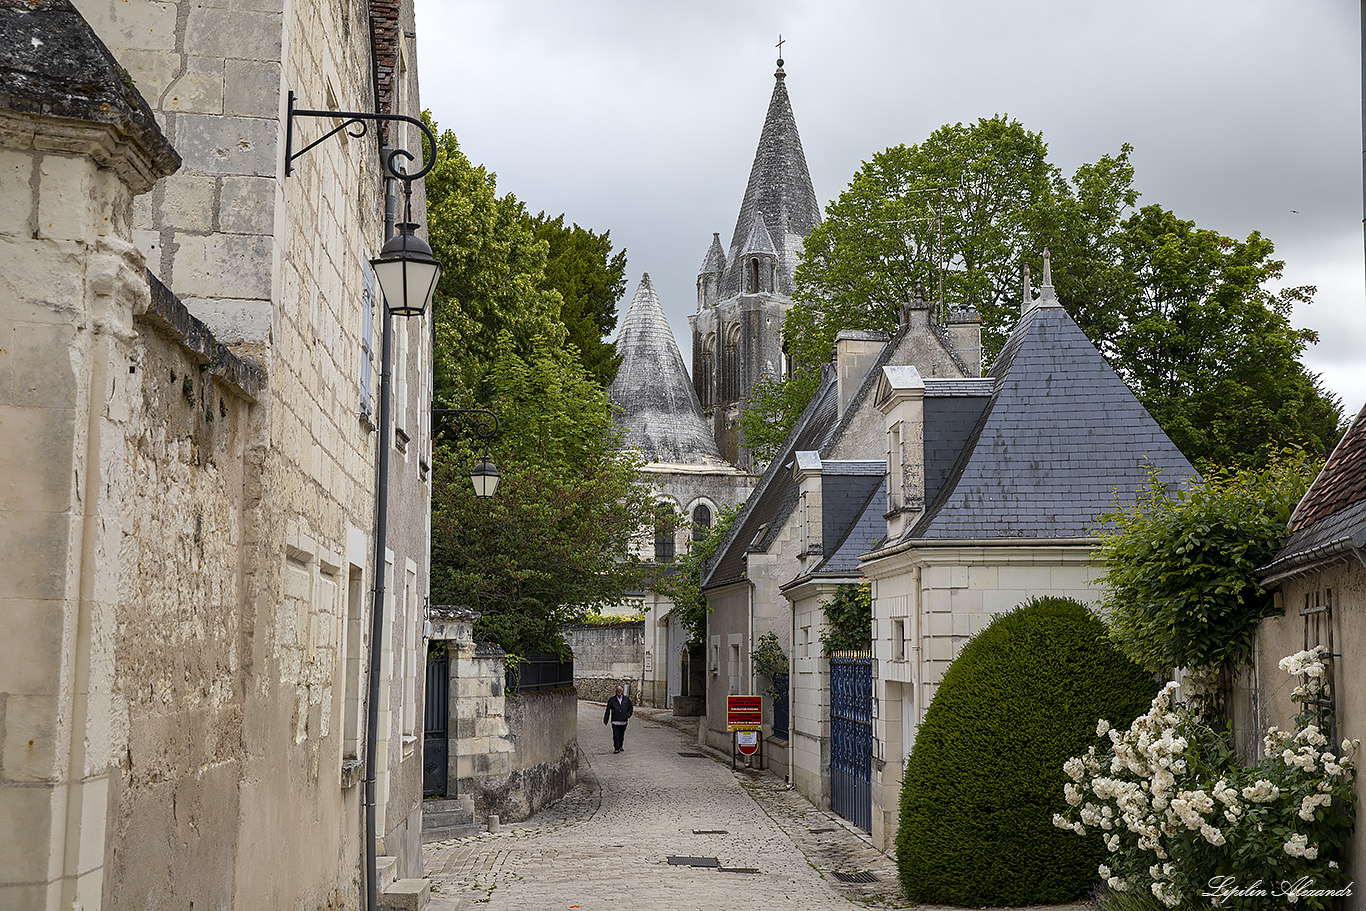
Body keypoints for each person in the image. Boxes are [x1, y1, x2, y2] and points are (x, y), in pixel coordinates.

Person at [603, 685, 633, 753]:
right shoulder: (612, 700)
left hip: (623, 720)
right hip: (615, 721)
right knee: (616, 735)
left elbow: (630, 708)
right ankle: (616, 748)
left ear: (622, 691)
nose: (619, 692)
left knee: (621, 735)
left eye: (620, 690)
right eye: (618, 690)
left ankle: (620, 745)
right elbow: (608, 710)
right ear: (616, 691)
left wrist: (628, 715)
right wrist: (606, 719)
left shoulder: (626, 699)